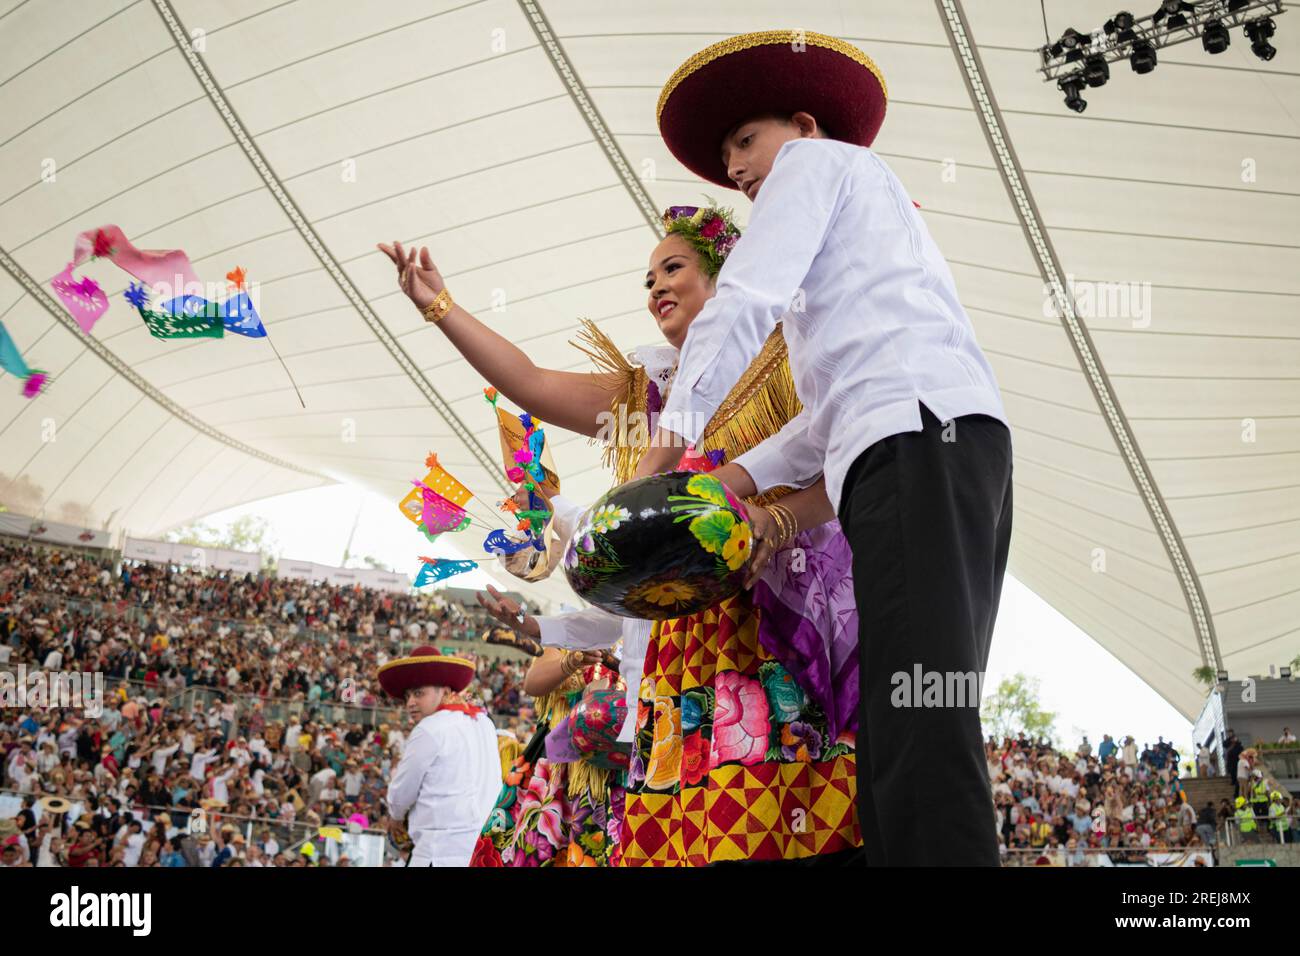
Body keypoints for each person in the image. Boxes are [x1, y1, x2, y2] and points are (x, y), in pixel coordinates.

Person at [380, 201, 861, 865]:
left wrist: (775, 524)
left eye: (673, 268)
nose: (657, 285)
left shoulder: (789, 363)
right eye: (648, 279)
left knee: (794, 829)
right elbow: (532, 382)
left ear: (726, 280)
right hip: (683, 641)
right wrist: (440, 307)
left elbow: (846, 463)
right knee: (696, 836)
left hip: (776, 627)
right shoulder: (646, 398)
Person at [636, 29, 1009, 866]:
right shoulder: (858, 267)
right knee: (898, 711)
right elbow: (832, 412)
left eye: (744, 139)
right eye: (726, 153)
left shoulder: (815, 166)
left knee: (917, 718)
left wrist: (665, 452)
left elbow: (747, 297)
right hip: (916, 443)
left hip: (918, 443)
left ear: (803, 125)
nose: (733, 167)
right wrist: (733, 474)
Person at [379, 646, 499, 866]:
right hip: (481, 853)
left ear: (444, 691)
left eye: (418, 693)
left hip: (439, 853)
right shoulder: (484, 723)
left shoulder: (429, 728)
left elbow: (401, 794)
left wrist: (395, 817)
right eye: (407, 696)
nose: (410, 703)